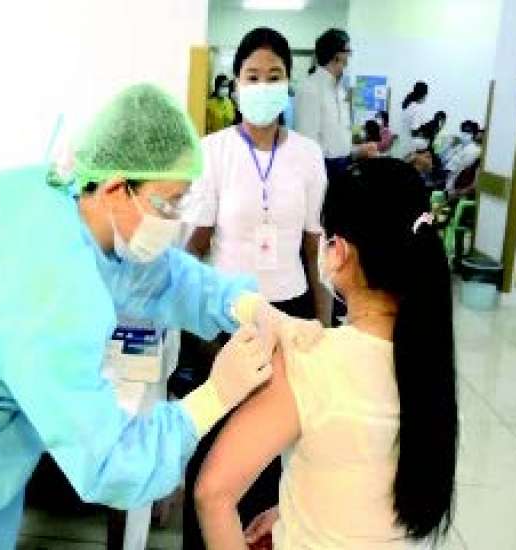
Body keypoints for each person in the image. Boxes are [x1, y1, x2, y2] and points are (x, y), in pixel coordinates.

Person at [0, 84, 290, 550]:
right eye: (168, 203)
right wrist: (214, 396)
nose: (174, 219)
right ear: (115, 188)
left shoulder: (45, 194)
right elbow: (111, 463)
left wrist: (239, 302)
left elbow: (156, 276)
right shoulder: (55, 299)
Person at [196, 157, 458, 549]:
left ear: (338, 251)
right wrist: (292, 509)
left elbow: (212, 494)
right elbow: (362, 476)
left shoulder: (311, 361)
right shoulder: (428, 360)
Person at [180, 27, 329, 550]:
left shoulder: (308, 155)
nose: (263, 86)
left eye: (274, 76)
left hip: (287, 312)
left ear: (289, 83)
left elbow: (313, 248)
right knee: (214, 446)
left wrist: (323, 325)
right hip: (227, 317)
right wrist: (194, 331)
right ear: (236, 83)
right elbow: (195, 246)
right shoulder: (214, 151)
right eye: (252, 76)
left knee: (265, 455)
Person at [295, 28, 376, 182]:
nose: (349, 58)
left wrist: (357, 151)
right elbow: (308, 144)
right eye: (348, 52)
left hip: (342, 167)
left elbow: (336, 139)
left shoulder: (339, 89)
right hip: (323, 171)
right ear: (336, 55)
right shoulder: (310, 88)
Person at [400, 81, 430, 158]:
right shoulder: (417, 108)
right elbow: (415, 130)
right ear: (424, 95)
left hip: (405, 144)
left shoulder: (408, 107)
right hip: (413, 148)